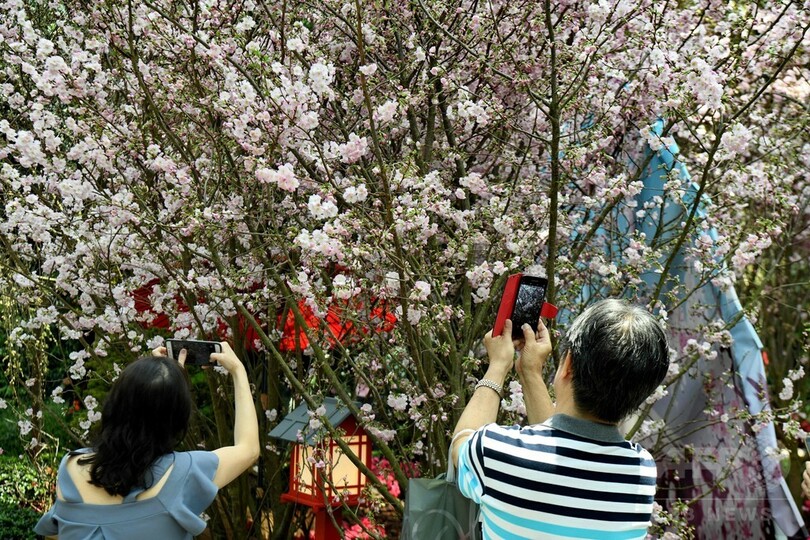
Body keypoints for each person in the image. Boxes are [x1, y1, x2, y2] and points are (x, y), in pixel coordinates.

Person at [452, 299, 669, 539]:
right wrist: (529, 372)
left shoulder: (496, 452)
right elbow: (559, 454)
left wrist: (498, 364)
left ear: (567, 365)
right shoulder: (640, 472)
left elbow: (462, 443)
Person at [35, 342, 260, 539]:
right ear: (176, 419)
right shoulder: (184, 473)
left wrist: (152, 378)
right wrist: (238, 371)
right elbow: (248, 448)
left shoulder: (70, 468)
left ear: (114, 404)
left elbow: (57, 533)